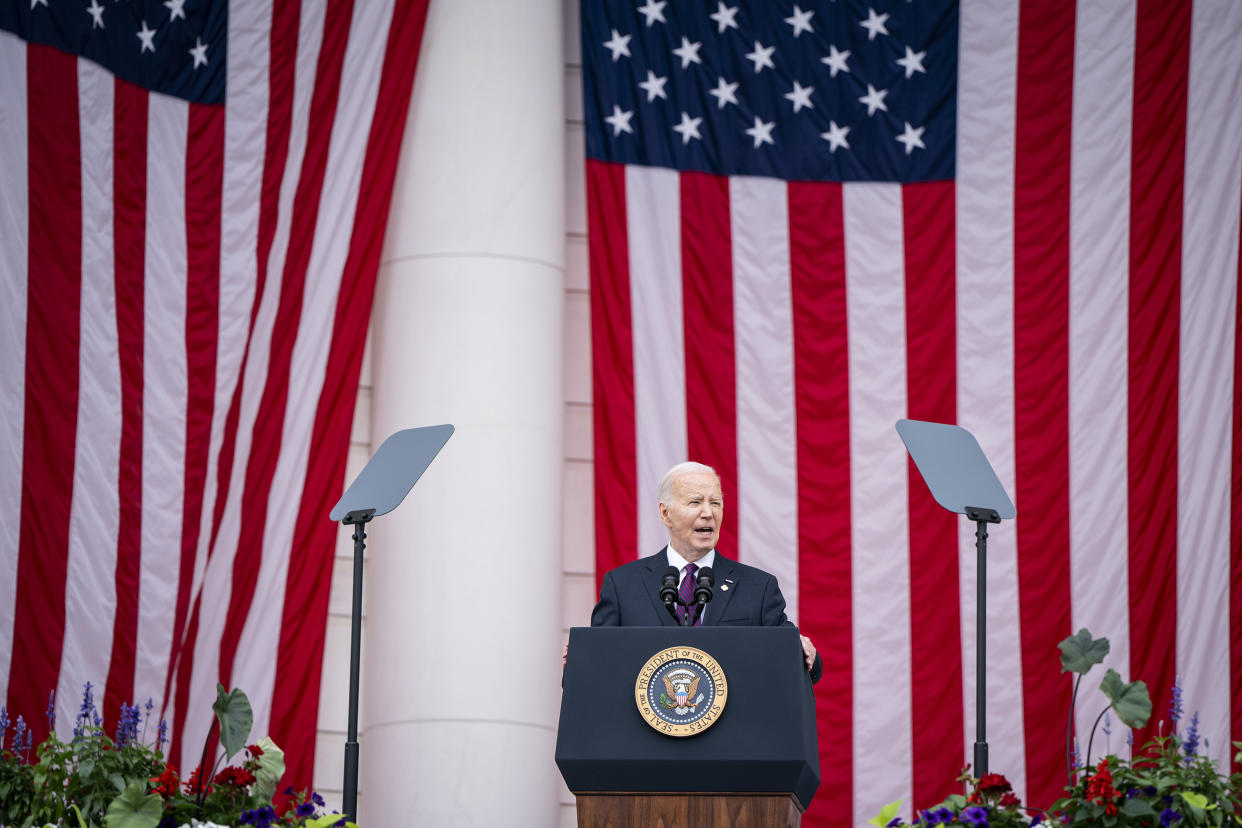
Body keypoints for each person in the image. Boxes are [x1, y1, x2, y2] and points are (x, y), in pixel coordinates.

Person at [588, 461, 821, 684]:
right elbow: (595, 668)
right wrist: (581, 659)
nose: (708, 512)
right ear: (665, 513)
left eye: (716, 503)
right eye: (695, 502)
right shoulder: (623, 585)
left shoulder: (758, 588)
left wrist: (803, 650)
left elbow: (804, 669)